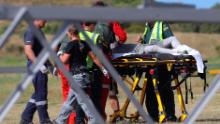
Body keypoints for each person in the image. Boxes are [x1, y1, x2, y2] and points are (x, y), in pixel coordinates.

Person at [54, 24, 109, 124]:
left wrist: (58, 56)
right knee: (69, 103)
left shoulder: (70, 45)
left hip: (76, 77)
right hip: (85, 75)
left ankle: (94, 120)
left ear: (71, 33)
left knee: (84, 101)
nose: (67, 35)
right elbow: (94, 58)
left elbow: (64, 60)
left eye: (67, 33)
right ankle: (59, 121)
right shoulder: (84, 43)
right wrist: (103, 69)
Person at [92, 0, 128, 120]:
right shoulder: (110, 19)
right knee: (110, 89)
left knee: (91, 89)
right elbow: (123, 36)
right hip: (107, 59)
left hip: (90, 59)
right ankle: (117, 115)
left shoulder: (87, 21)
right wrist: (116, 44)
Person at [136, 21, 177, 122]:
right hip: (151, 63)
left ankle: (170, 115)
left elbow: (171, 41)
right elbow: (147, 44)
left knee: (165, 89)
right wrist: (141, 42)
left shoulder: (162, 25)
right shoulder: (147, 27)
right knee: (150, 91)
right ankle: (153, 116)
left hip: (162, 63)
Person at [20, 19, 53, 124]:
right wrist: (39, 64)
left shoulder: (39, 32)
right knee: (41, 93)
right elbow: (28, 50)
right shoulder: (31, 31)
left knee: (38, 92)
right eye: (44, 19)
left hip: (41, 65)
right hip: (36, 66)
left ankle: (26, 118)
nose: (46, 21)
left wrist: (50, 65)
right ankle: (44, 120)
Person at [55, 30, 76, 124]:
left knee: (67, 94)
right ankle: (72, 120)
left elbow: (55, 49)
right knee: (73, 95)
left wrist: (56, 64)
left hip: (63, 65)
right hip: (70, 66)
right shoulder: (79, 33)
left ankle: (68, 119)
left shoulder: (62, 33)